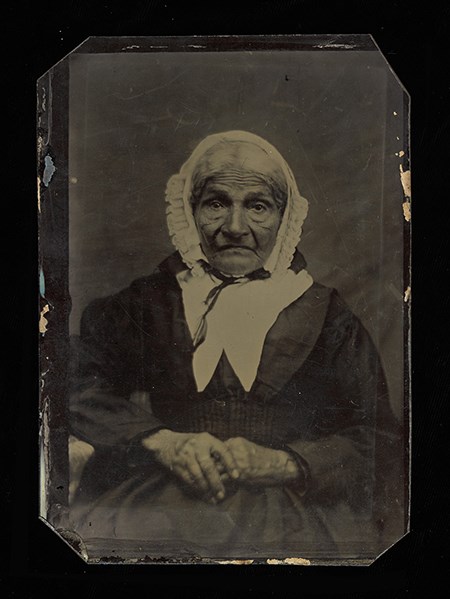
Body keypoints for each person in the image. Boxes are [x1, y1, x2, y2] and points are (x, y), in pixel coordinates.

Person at [69, 131, 402, 560]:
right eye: (216, 203)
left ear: (285, 217)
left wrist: (288, 464)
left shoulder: (328, 316)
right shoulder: (151, 301)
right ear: (189, 211)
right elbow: (73, 385)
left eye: (258, 206)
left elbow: (380, 440)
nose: (235, 228)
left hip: (289, 516)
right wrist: (162, 441)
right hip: (161, 507)